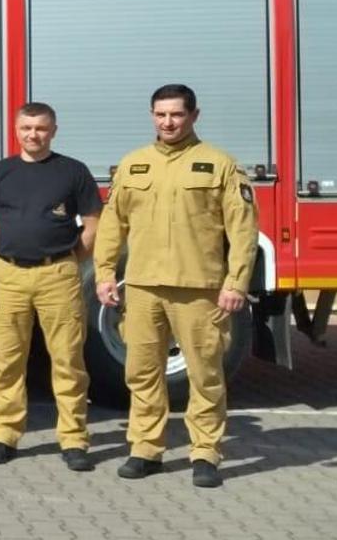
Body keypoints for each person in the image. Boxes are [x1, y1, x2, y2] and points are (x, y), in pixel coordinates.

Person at [94, 84, 258, 489]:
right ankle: (146, 449)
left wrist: (236, 283)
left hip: (199, 288)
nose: (168, 122)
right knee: (142, 372)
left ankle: (205, 452)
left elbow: (243, 230)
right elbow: (113, 225)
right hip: (144, 288)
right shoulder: (133, 165)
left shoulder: (220, 165)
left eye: (177, 115)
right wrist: (104, 274)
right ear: (152, 115)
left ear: (194, 116)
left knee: (205, 374)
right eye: (161, 114)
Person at [0, 102, 101, 471]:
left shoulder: (73, 172)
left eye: (41, 129)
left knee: (68, 360)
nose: (33, 135)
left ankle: (74, 439)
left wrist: (69, 260)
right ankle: (5, 434)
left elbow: (93, 223)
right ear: (16, 129)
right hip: (9, 276)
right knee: (8, 360)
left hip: (57, 275)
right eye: (27, 128)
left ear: (54, 131)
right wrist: (7, 253)